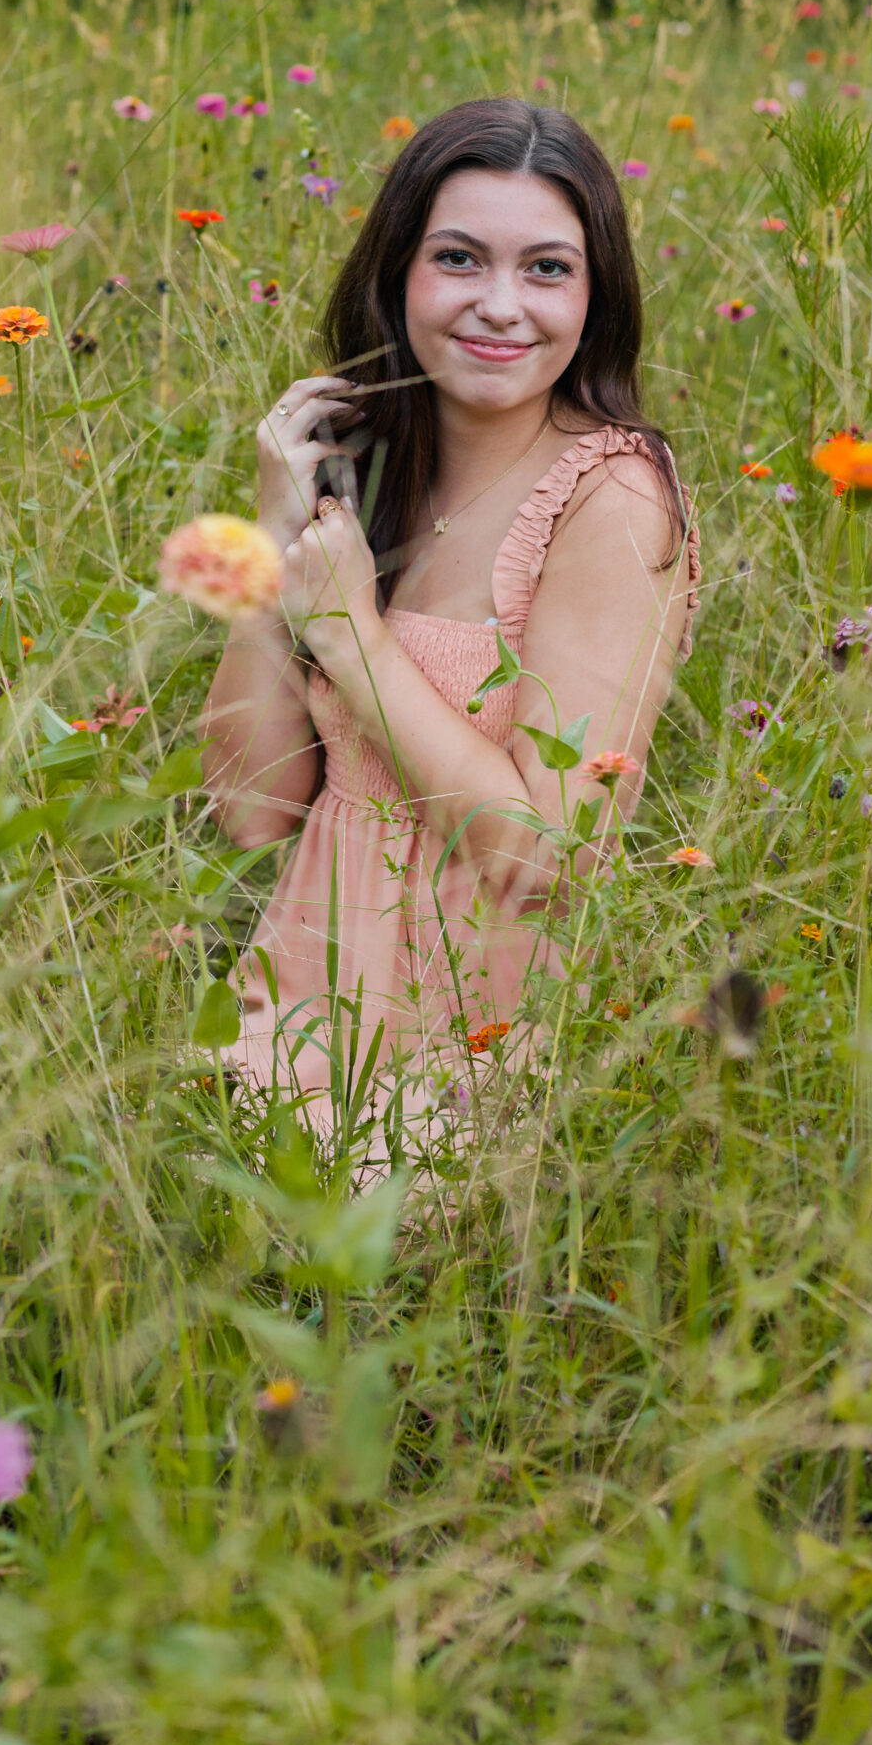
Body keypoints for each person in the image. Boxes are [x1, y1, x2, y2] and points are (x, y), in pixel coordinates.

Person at [201, 97, 700, 1138]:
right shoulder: (372, 461)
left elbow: (544, 858)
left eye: (548, 268)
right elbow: (250, 815)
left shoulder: (611, 500)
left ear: (596, 296)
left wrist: (353, 637)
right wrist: (270, 536)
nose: (502, 305)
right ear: (399, 276)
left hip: (463, 1053)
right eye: (461, 259)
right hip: (287, 1016)